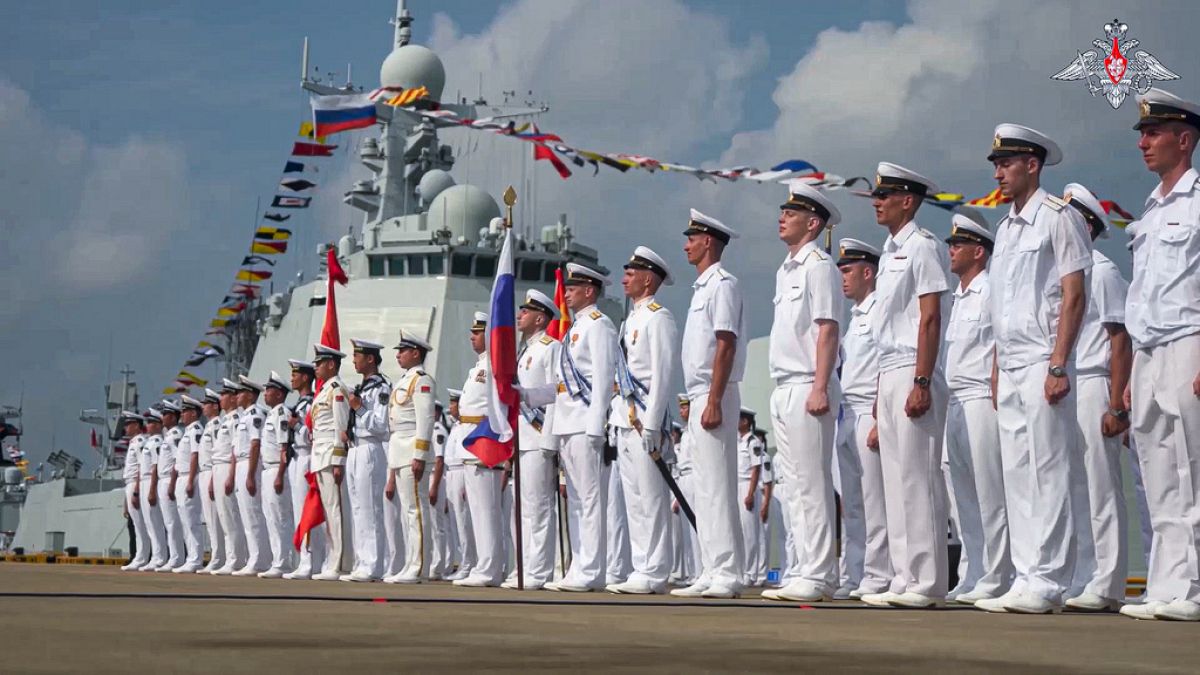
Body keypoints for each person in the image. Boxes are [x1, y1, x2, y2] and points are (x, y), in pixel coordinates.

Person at [977, 125, 1093, 615]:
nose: (999, 173)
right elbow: (1002, 305)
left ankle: (1049, 579)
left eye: (1006, 163)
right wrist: (998, 366)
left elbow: (1074, 293)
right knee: (1018, 473)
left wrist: (1060, 362)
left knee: (1049, 469)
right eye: (996, 165)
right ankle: (1026, 574)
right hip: (1012, 363)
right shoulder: (1004, 229)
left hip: (1045, 360)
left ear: (1032, 165)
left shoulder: (1058, 217)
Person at [1120, 89, 1200, 622]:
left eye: (1153, 133)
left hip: (1189, 340)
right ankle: (1167, 585)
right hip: (1148, 351)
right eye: (1143, 135)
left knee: (1192, 466)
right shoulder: (1149, 211)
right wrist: (1129, 373)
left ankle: (1193, 589)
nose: (1144, 142)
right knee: (1158, 474)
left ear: (1184, 139)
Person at [862, 162, 952, 609]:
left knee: (919, 477)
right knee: (895, 480)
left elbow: (930, 317)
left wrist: (922, 380)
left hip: (915, 368)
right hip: (890, 368)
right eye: (877, 195)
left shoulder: (923, 246)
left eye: (885, 195)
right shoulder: (889, 250)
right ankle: (903, 574)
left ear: (908, 201)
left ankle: (929, 580)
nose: (876, 202)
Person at [761, 182, 844, 603]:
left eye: (791, 213)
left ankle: (820, 571)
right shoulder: (786, 268)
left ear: (813, 223)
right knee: (792, 485)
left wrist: (820, 386)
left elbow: (828, 327)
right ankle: (802, 567)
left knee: (813, 482)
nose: (782, 217)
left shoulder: (819, 266)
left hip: (810, 384)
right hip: (784, 386)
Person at [671, 209, 748, 600]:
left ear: (709, 242)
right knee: (704, 486)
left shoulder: (722, 285)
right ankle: (711, 567)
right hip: (701, 392)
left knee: (718, 485)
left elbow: (725, 343)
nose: (686, 244)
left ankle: (728, 572)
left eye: (692, 237)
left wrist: (715, 399)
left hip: (714, 393)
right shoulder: (702, 288)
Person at [941, 209, 1014, 605]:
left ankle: (998, 573)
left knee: (990, 492)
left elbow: (1000, 344)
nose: (951, 250)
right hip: (955, 401)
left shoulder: (989, 291)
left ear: (980, 252)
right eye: (952, 243)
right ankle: (973, 571)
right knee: (964, 496)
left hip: (982, 399)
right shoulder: (959, 296)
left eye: (959, 244)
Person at [540, 264, 619, 594]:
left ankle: (592, 568)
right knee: (575, 500)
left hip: (585, 423)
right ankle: (579, 565)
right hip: (567, 424)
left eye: (574, 287)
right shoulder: (574, 330)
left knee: (589, 499)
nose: (567, 291)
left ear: (590, 290)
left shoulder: (600, 326)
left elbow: (602, 380)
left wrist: (596, 425)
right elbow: (560, 386)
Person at [608, 247, 678, 595]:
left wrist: (652, 424)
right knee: (633, 499)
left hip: (645, 421)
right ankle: (641, 566)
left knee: (652, 498)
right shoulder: (630, 319)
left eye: (632, 272)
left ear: (648, 279)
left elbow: (662, 376)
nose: (625, 277)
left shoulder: (658, 317)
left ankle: (656, 569)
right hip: (624, 418)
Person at [834, 238, 891, 599]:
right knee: (852, 502)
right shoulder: (853, 319)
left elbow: (886, 362)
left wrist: (880, 414)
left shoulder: (880, 311)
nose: (843, 278)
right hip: (847, 413)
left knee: (875, 500)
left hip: (870, 409)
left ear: (868, 273)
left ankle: (878, 573)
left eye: (848, 270)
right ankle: (854, 573)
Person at [503, 290, 562, 591]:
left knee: (538, 507)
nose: (519, 315)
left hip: (539, 435)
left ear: (540, 318)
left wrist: (550, 438)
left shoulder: (550, 348)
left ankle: (539, 570)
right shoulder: (524, 351)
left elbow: (556, 392)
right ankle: (523, 567)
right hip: (522, 438)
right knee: (521, 508)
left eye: (525, 311)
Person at [453, 313, 506, 588]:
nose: (472, 336)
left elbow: (499, 407)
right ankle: (483, 565)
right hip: (470, 443)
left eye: (477, 332)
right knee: (477, 510)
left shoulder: (494, 366)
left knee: (486, 511)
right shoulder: (477, 368)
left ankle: (489, 568)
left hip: (484, 442)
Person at [383, 331, 438, 584]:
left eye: (402, 350)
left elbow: (425, 418)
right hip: (399, 448)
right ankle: (410, 562)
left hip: (412, 450)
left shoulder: (422, 380)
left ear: (415, 353)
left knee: (416, 510)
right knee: (408, 511)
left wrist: (420, 454)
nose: (398, 355)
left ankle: (419, 566)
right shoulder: (404, 380)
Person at [345, 338, 391, 582]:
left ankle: (374, 564)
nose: (353, 360)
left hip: (370, 449)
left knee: (370, 508)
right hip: (354, 448)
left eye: (357, 355)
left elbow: (381, 425)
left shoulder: (381, 388)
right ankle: (362, 561)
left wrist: (359, 408)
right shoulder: (361, 388)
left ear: (370, 359)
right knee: (358, 508)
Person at [310, 344, 353, 581]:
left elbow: (341, 426)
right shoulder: (324, 390)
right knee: (330, 511)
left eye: (319, 363)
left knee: (336, 510)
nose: (316, 367)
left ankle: (340, 562)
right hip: (320, 454)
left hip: (330, 454)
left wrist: (338, 459)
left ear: (331, 364)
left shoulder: (337, 389)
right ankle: (334, 558)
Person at [283, 359, 324, 580]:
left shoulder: (309, 405)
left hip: (307, 457)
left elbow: (311, 435)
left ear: (305, 377)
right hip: (295, 458)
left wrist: (296, 426)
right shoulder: (299, 404)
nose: (292, 378)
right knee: (298, 510)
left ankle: (310, 561)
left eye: (295, 374)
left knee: (306, 511)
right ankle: (305, 560)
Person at [257, 371, 296, 579]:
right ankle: (277, 560)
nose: (266, 393)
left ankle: (284, 561)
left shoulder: (281, 413)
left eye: (270, 390)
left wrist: (281, 474)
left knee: (281, 517)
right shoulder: (272, 414)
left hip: (276, 470)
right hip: (267, 470)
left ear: (280, 394)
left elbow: (285, 447)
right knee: (271, 516)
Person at [232, 375, 270, 576]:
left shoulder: (255, 414)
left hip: (250, 464)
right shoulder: (244, 416)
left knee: (254, 514)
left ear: (249, 394)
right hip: (241, 463)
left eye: (240, 392)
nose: (236, 396)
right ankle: (253, 557)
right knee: (246, 514)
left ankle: (260, 559)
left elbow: (255, 444)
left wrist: (250, 475)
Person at [210, 380, 246, 575]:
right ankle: (231, 557)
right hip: (218, 468)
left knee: (232, 517)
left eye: (224, 395)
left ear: (232, 397)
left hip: (227, 468)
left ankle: (236, 558)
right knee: (224, 517)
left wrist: (231, 476)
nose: (220, 399)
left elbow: (234, 450)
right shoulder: (225, 421)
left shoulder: (235, 420)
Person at [442, 389, 476, 581]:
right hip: (451, 472)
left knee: (464, 521)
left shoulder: (466, 426)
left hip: (462, 471)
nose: (451, 406)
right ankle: (463, 561)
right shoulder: (455, 426)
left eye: (453, 403)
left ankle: (469, 563)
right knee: (456, 521)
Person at [172, 395, 206, 573]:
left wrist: (191, 480)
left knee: (192, 520)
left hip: (188, 478)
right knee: (184, 520)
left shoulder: (195, 430)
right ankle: (190, 557)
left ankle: (195, 559)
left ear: (193, 413)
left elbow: (195, 455)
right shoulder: (188, 431)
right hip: (181, 477)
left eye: (185, 411)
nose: (182, 415)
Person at [672, 397, 702, 585]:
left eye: (685, 408)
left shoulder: (696, 430)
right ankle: (692, 573)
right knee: (685, 528)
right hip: (682, 478)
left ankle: (700, 572)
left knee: (695, 526)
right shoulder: (684, 433)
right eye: (681, 408)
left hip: (693, 477)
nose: (682, 411)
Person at [197, 388, 226, 574]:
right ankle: (218, 556)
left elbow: (218, 452)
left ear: (215, 406)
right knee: (210, 518)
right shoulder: (210, 426)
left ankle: (219, 557)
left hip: (212, 471)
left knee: (216, 519)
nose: (203, 407)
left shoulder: (216, 425)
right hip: (206, 471)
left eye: (206, 404)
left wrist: (213, 480)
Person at [155, 401, 186, 571]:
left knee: (173, 523)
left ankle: (176, 557)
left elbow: (176, 461)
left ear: (173, 417)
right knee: (168, 522)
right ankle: (173, 557)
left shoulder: (175, 435)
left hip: (169, 479)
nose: (162, 418)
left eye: (165, 414)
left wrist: (172, 484)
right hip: (163, 480)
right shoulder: (169, 435)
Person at [736, 409, 764, 588]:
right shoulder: (737, 441)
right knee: (739, 531)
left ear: (745, 421)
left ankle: (751, 572)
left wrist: (750, 493)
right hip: (737, 484)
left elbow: (756, 468)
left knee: (750, 533)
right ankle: (742, 569)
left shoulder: (753, 442)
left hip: (747, 485)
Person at [120, 412, 150, 571]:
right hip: (130, 485)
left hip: (136, 484)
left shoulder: (139, 442)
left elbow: (141, 467)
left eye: (128, 424)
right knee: (136, 525)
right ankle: (139, 556)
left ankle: (142, 556)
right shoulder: (133, 443)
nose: (125, 427)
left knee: (141, 525)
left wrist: (137, 491)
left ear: (137, 426)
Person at [139, 408, 168, 572]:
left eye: (151, 422)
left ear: (158, 425)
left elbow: (156, 466)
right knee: (150, 523)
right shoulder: (150, 442)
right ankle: (155, 556)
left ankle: (160, 557)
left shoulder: (157, 442)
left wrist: (152, 490)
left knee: (156, 523)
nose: (148, 425)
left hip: (151, 481)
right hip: (144, 482)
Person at [427, 400, 452, 580]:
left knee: (438, 525)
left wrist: (434, 487)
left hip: (436, 477)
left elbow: (439, 460)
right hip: (429, 476)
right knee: (432, 524)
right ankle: (435, 563)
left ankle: (438, 565)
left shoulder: (437, 430)